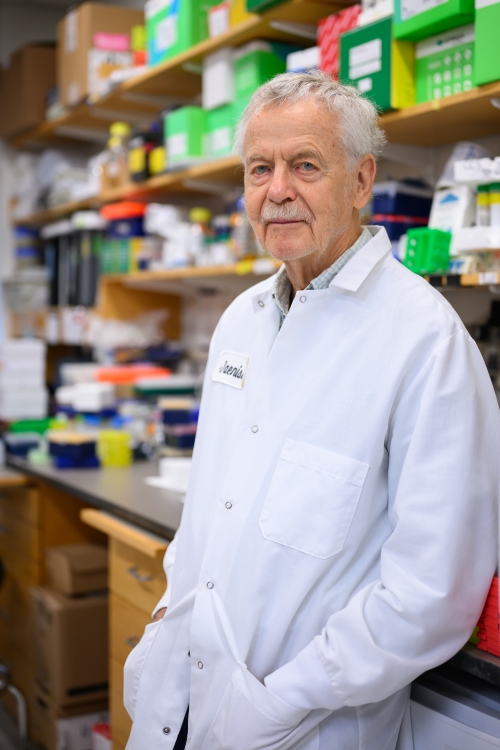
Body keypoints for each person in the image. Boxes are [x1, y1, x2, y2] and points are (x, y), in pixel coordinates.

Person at [123, 71, 499, 750]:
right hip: (178, 698)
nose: (278, 191)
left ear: (361, 182)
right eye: (259, 168)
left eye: (304, 166)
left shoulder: (426, 340)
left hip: (307, 725)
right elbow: (210, 509)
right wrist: (159, 629)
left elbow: (432, 595)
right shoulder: (240, 321)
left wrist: (283, 700)